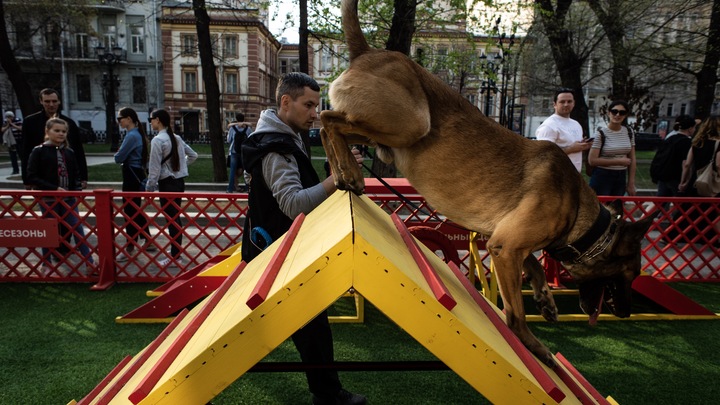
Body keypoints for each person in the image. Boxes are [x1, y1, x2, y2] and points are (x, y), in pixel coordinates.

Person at [241, 72, 366, 405]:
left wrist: (330, 173)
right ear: (286, 102)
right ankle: (327, 394)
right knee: (307, 328)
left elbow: (300, 187)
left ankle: (327, 392)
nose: (315, 113)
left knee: (306, 327)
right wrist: (337, 179)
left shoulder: (284, 137)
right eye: (309, 104)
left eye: (317, 104)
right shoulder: (274, 148)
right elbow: (293, 203)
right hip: (277, 255)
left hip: (275, 250)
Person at [26, 117, 95, 274]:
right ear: (47, 131)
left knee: (77, 228)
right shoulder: (39, 151)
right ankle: (46, 263)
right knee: (49, 231)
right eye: (56, 131)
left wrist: (75, 190)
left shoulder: (69, 152)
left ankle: (90, 262)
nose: (61, 134)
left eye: (63, 131)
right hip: (48, 198)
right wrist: (53, 188)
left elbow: (76, 174)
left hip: (68, 198)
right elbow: (31, 176)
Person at [146, 109, 198, 268]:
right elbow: (193, 155)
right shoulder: (176, 138)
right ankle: (176, 253)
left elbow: (154, 168)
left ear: (158, 120)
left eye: (151, 119)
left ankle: (176, 256)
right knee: (175, 217)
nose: (150, 122)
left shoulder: (157, 141)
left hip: (167, 183)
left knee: (172, 219)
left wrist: (149, 189)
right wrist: (181, 168)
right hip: (179, 182)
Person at [21, 88, 88, 189]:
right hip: (42, 176)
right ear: (41, 101)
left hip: (67, 176)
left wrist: (83, 177)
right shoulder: (30, 122)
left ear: (59, 101)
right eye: (47, 101)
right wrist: (26, 179)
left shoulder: (69, 123)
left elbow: (78, 150)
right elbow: (26, 151)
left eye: (54, 101)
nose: (51, 105)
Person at [114, 107, 155, 262]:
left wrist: (118, 154)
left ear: (129, 118)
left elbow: (118, 158)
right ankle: (147, 240)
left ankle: (130, 246)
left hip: (131, 176)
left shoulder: (131, 136)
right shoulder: (138, 134)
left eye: (120, 119)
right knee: (134, 210)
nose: (119, 121)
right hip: (137, 175)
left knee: (130, 212)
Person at [587, 100, 637, 196]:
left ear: (625, 115)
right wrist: (618, 161)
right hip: (602, 175)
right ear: (609, 113)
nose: (617, 115)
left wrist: (631, 183)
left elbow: (633, 158)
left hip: (621, 176)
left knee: (616, 209)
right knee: (600, 209)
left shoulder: (629, 132)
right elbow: (592, 160)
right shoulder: (601, 134)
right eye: (614, 111)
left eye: (622, 112)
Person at [534, 88, 591, 172]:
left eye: (569, 101)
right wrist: (571, 149)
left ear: (574, 103)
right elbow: (544, 155)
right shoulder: (549, 125)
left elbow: (574, 146)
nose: (566, 104)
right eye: (562, 102)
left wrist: (583, 145)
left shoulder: (576, 124)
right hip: (555, 176)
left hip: (574, 176)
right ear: (555, 104)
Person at [655, 115, 698, 197]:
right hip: (676, 177)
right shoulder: (687, 142)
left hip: (664, 175)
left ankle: (652, 210)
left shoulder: (670, 138)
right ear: (690, 129)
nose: (695, 130)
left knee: (661, 202)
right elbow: (686, 163)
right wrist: (684, 181)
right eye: (694, 127)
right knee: (681, 205)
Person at [226, 112, 251, 193]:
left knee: (232, 171)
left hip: (234, 152)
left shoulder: (232, 129)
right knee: (246, 170)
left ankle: (230, 189)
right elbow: (250, 140)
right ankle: (248, 188)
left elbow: (229, 140)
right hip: (244, 152)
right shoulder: (248, 129)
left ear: (236, 119)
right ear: (244, 119)